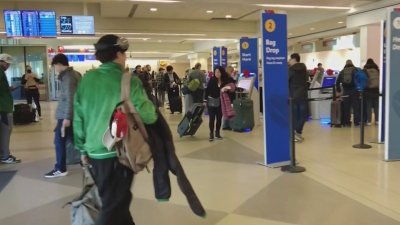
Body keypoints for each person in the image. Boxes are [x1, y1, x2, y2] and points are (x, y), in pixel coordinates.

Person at [73, 35, 157, 225]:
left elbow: (78, 117)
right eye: (124, 54)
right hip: (120, 153)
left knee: (117, 199)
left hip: (94, 151)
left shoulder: (87, 79)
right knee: (113, 204)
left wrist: (82, 149)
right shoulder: (128, 80)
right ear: (119, 54)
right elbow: (149, 115)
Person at [44, 54, 81, 178]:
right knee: (74, 139)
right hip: (73, 114)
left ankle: (60, 167)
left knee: (59, 141)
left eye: (55, 66)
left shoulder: (68, 77)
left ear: (59, 64)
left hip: (66, 115)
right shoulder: (74, 74)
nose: (55, 68)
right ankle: (86, 162)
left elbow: (70, 98)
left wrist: (66, 117)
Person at [0, 53, 21, 164]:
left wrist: (7, 89)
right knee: (5, 132)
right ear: (2, 61)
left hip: (3, 107)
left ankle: (3, 155)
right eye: (7, 64)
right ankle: (4, 156)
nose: (8, 66)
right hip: (3, 108)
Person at [205, 66, 233, 142]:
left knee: (219, 118)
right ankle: (211, 134)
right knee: (212, 118)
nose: (217, 73)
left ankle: (217, 133)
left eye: (218, 72)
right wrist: (204, 100)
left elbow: (232, 88)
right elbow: (207, 90)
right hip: (211, 102)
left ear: (221, 72)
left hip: (221, 102)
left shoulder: (225, 80)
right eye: (215, 72)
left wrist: (227, 89)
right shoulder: (212, 80)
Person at [288, 53, 308, 142]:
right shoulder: (304, 68)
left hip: (293, 95)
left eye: (290, 59)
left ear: (294, 59)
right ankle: (298, 132)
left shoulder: (291, 69)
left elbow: (286, 80)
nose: (289, 61)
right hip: (303, 94)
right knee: (303, 115)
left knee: (295, 115)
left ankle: (295, 133)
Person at [336, 59, 360, 126]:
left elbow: (337, 82)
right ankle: (356, 122)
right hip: (355, 91)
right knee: (356, 107)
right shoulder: (355, 70)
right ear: (352, 63)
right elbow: (359, 80)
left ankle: (347, 122)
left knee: (347, 107)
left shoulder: (342, 71)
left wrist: (339, 90)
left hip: (346, 91)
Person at [363, 58, 380, 125]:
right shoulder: (377, 70)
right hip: (377, 90)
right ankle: (377, 120)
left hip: (368, 90)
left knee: (368, 106)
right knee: (376, 106)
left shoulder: (365, 70)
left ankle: (369, 121)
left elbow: (364, 80)